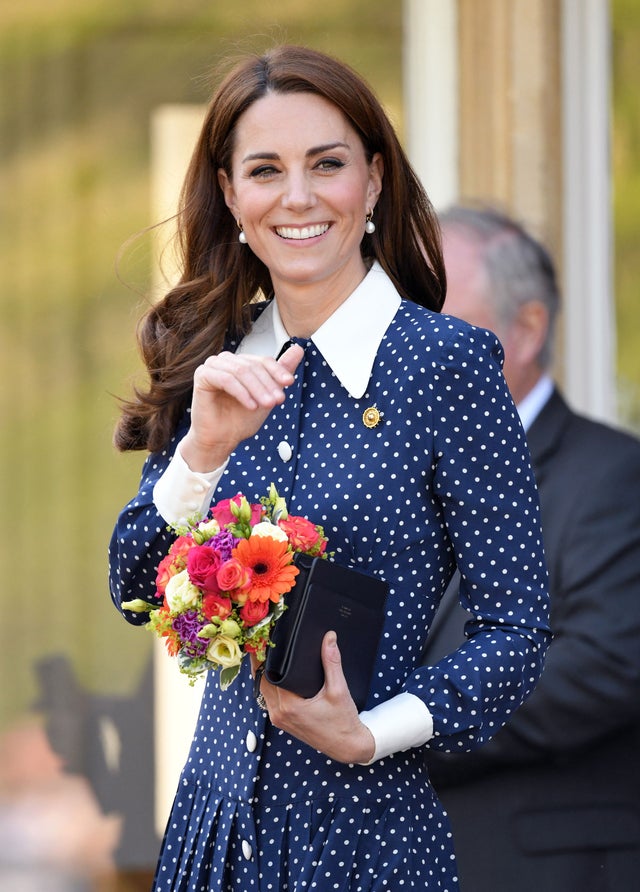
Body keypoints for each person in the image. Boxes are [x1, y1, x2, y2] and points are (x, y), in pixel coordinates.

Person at [108, 47, 550, 892]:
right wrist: (201, 450)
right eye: (266, 170)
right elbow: (134, 590)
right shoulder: (215, 360)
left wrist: (373, 732)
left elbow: (516, 629)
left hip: (364, 842)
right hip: (211, 837)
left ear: (374, 181)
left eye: (328, 164)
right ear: (232, 195)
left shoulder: (445, 365)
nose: (298, 197)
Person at [423, 205, 640, 891]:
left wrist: (404, 725)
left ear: (528, 329)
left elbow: (606, 664)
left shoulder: (613, 476)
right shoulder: (395, 478)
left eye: (437, 318)